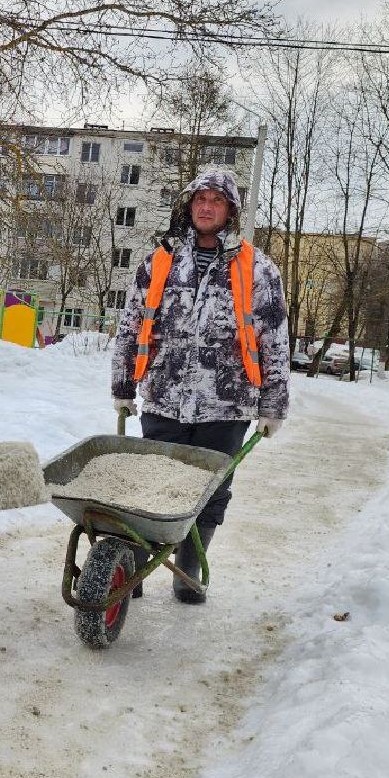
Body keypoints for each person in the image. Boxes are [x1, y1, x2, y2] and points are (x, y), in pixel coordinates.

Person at [109, 169, 290, 603]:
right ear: (190, 207)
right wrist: (122, 385)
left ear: (230, 210)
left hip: (226, 405)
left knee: (210, 493)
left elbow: (275, 337)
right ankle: (129, 570)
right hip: (164, 399)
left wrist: (273, 405)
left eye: (216, 200)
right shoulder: (160, 261)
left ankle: (187, 573)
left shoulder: (258, 267)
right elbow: (131, 325)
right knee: (150, 486)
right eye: (199, 200)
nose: (206, 207)